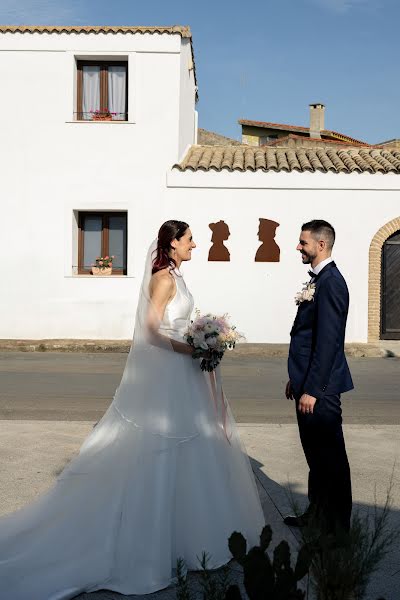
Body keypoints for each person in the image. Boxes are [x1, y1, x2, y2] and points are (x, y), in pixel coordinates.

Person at [0, 220, 264, 600]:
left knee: (192, 451)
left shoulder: (176, 274)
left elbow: (179, 323)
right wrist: (196, 348)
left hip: (183, 376)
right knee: (163, 449)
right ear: (173, 243)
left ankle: (186, 541)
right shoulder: (163, 279)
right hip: (172, 374)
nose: (195, 244)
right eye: (189, 239)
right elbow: (152, 330)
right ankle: (149, 547)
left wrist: (204, 334)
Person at [285, 220, 353, 533]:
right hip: (307, 384)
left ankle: (337, 528)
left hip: (321, 391)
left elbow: (328, 342)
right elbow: (308, 338)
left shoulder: (332, 282)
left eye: (303, 242)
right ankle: (317, 515)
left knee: (331, 460)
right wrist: (297, 381)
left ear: (320, 245)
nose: (298, 247)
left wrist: (312, 388)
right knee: (316, 458)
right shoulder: (319, 279)